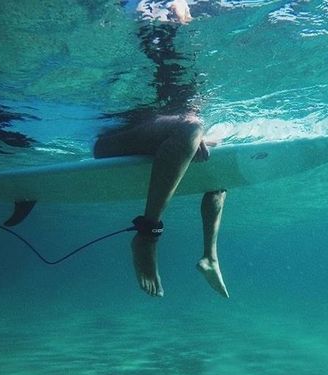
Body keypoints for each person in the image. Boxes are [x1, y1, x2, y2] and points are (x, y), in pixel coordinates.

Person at [94, 0, 229, 298]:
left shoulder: (198, 7)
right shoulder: (134, 9)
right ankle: (147, 235)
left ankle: (210, 257)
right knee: (191, 129)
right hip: (119, 133)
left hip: (170, 123)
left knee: (219, 158)